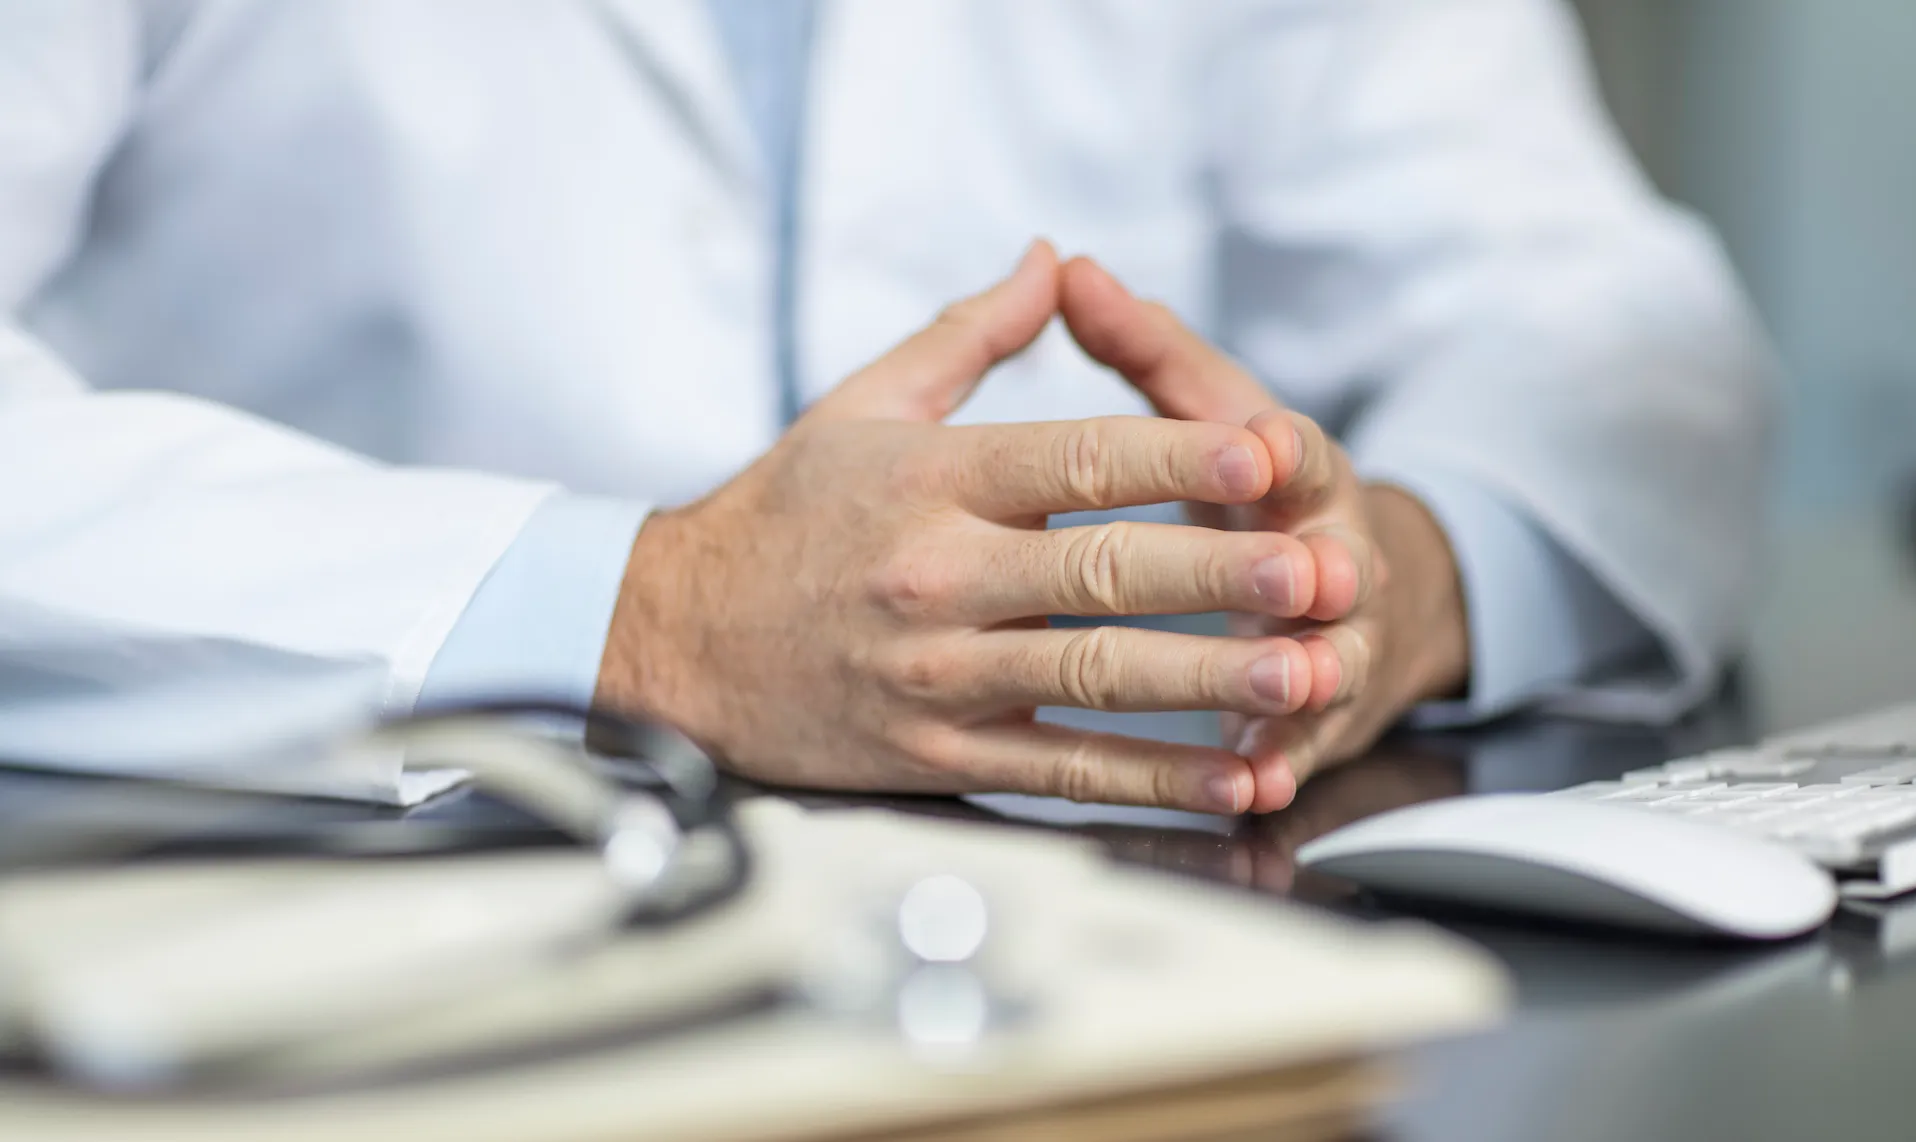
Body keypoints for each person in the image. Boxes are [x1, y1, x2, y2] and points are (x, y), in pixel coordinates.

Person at [0, 0, 1771, 814]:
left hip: (1108, 938)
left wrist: (1396, 576)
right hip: (295, 872)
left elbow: (1596, 310)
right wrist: (653, 613)